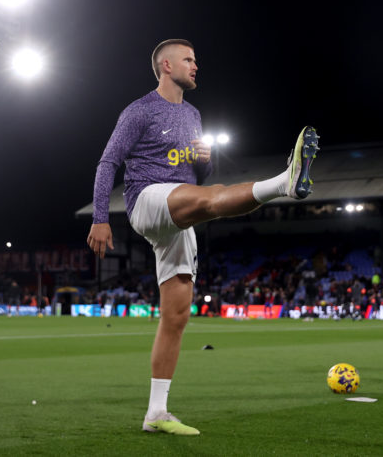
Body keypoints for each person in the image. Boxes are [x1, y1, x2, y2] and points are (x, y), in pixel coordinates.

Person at [87, 39, 319, 435]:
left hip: (180, 208)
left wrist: (204, 163)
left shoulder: (193, 114)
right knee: (212, 200)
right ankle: (284, 181)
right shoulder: (139, 110)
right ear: (166, 65)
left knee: (176, 316)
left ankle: (156, 413)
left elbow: (199, 181)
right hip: (148, 199)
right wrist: (100, 217)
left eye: (196, 60)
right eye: (189, 59)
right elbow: (108, 161)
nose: (196, 66)